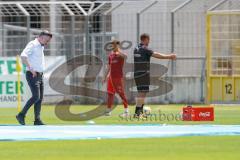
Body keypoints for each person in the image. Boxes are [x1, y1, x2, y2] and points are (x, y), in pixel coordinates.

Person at [134, 33, 176, 118]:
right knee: (142, 93)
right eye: (148, 40)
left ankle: (139, 112)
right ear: (145, 39)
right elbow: (156, 55)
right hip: (143, 73)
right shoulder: (145, 48)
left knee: (141, 92)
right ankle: (138, 113)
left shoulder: (136, 48)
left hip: (137, 73)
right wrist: (169, 56)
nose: (149, 42)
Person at [16, 30, 52, 125]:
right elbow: (23, 56)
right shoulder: (33, 44)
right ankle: (21, 115)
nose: (47, 42)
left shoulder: (40, 46)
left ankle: (37, 119)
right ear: (41, 37)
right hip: (33, 74)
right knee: (36, 96)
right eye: (47, 40)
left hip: (39, 74)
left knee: (39, 98)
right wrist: (31, 69)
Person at [103, 40, 129, 117]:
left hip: (118, 77)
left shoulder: (120, 55)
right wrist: (105, 76)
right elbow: (109, 67)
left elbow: (125, 57)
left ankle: (126, 111)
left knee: (121, 93)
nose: (113, 47)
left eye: (115, 45)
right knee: (110, 93)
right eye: (112, 45)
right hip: (111, 77)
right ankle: (108, 111)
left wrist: (119, 52)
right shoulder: (111, 56)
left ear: (118, 46)